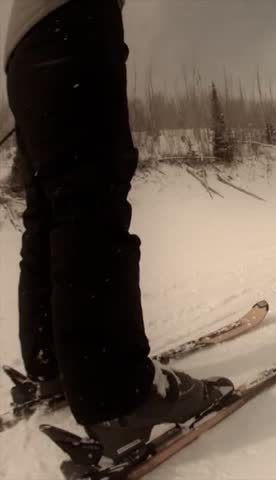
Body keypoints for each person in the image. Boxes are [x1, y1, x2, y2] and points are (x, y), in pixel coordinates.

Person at [4, 0, 232, 461]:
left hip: (24, 45)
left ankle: (55, 367)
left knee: (51, 210)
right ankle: (119, 397)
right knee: (90, 201)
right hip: (72, 22)